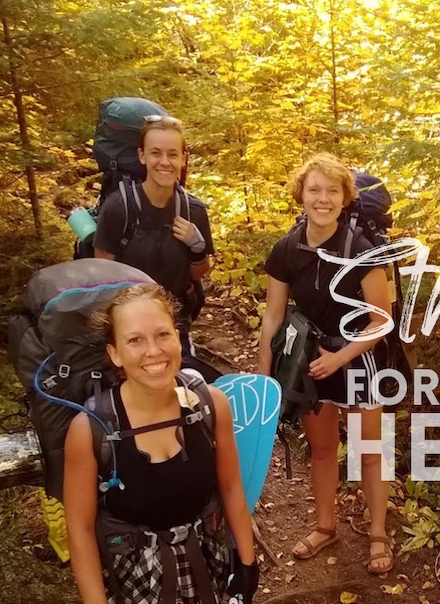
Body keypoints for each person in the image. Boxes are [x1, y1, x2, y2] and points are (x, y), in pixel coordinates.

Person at [64, 284, 259, 604]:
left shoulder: (211, 405)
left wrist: (247, 567)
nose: (153, 351)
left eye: (162, 335)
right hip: (134, 581)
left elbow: (231, 488)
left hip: (209, 566)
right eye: (135, 340)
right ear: (115, 353)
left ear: (179, 337)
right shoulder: (91, 431)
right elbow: (80, 530)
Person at [258, 152, 394, 574]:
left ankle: (377, 535)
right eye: (314, 190)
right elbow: (274, 316)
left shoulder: (361, 248)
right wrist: (265, 377)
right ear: (301, 194)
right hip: (307, 365)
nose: (322, 199)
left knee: (368, 452)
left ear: (344, 198)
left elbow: (381, 320)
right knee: (321, 451)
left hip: (355, 360)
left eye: (331, 191)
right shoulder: (287, 248)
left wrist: (341, 357)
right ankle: (325, 526)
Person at [93, 115, 214, 357]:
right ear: (142, 156)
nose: (164, 162)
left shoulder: (194, 211)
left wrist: (196, 247)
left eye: (172, 154)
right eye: (156, 153)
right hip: (128, 323)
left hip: (174, 320)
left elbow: (197, 273)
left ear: (183, 159)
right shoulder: (119, 208)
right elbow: (103, 274)